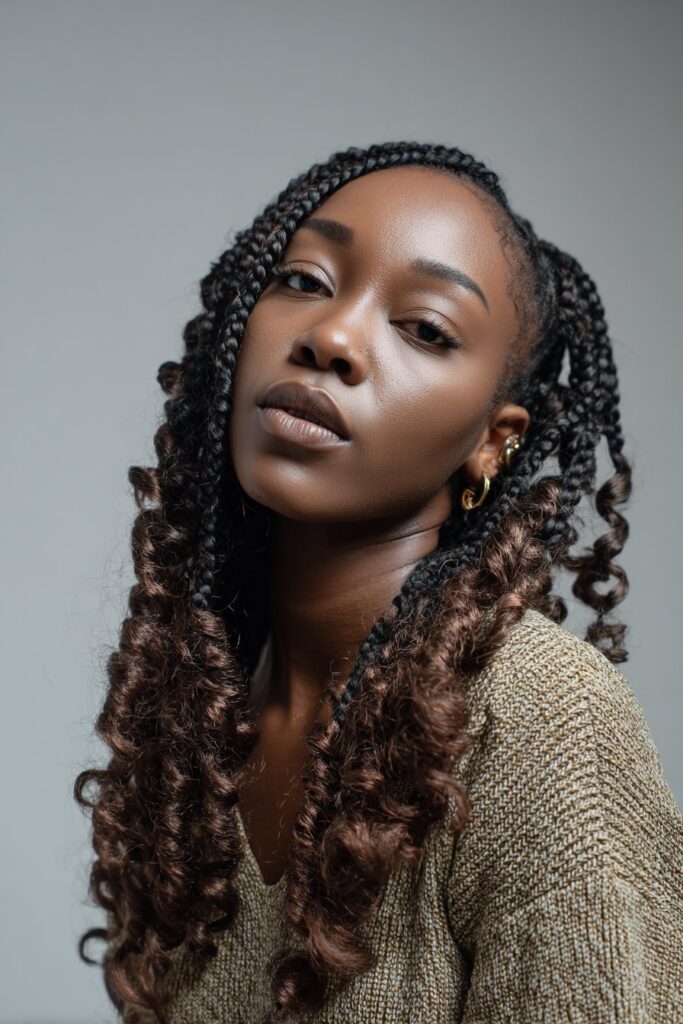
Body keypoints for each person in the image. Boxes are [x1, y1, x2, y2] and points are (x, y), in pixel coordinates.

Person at [74, 141, 683, 1023]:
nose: (330, 338)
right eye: (305, 281)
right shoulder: (202, 719)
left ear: (491, 441)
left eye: (425, 329)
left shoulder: (536, 717)